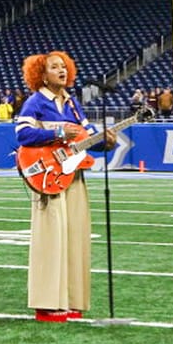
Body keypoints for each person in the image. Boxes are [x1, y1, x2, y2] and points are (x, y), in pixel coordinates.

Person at [16, 52, 112, 321]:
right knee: (51, 237)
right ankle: (47, 303)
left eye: (64, 66)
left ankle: (70, 299)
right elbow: (22, 134)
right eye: (54, 67)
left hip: (74, 175)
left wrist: (106, 142)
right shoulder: (35, 102)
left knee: (75, 235)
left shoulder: (72, 103)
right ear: (42, 74)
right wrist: (56, 133)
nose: (61, 71)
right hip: (48, 176)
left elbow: (87, 137)